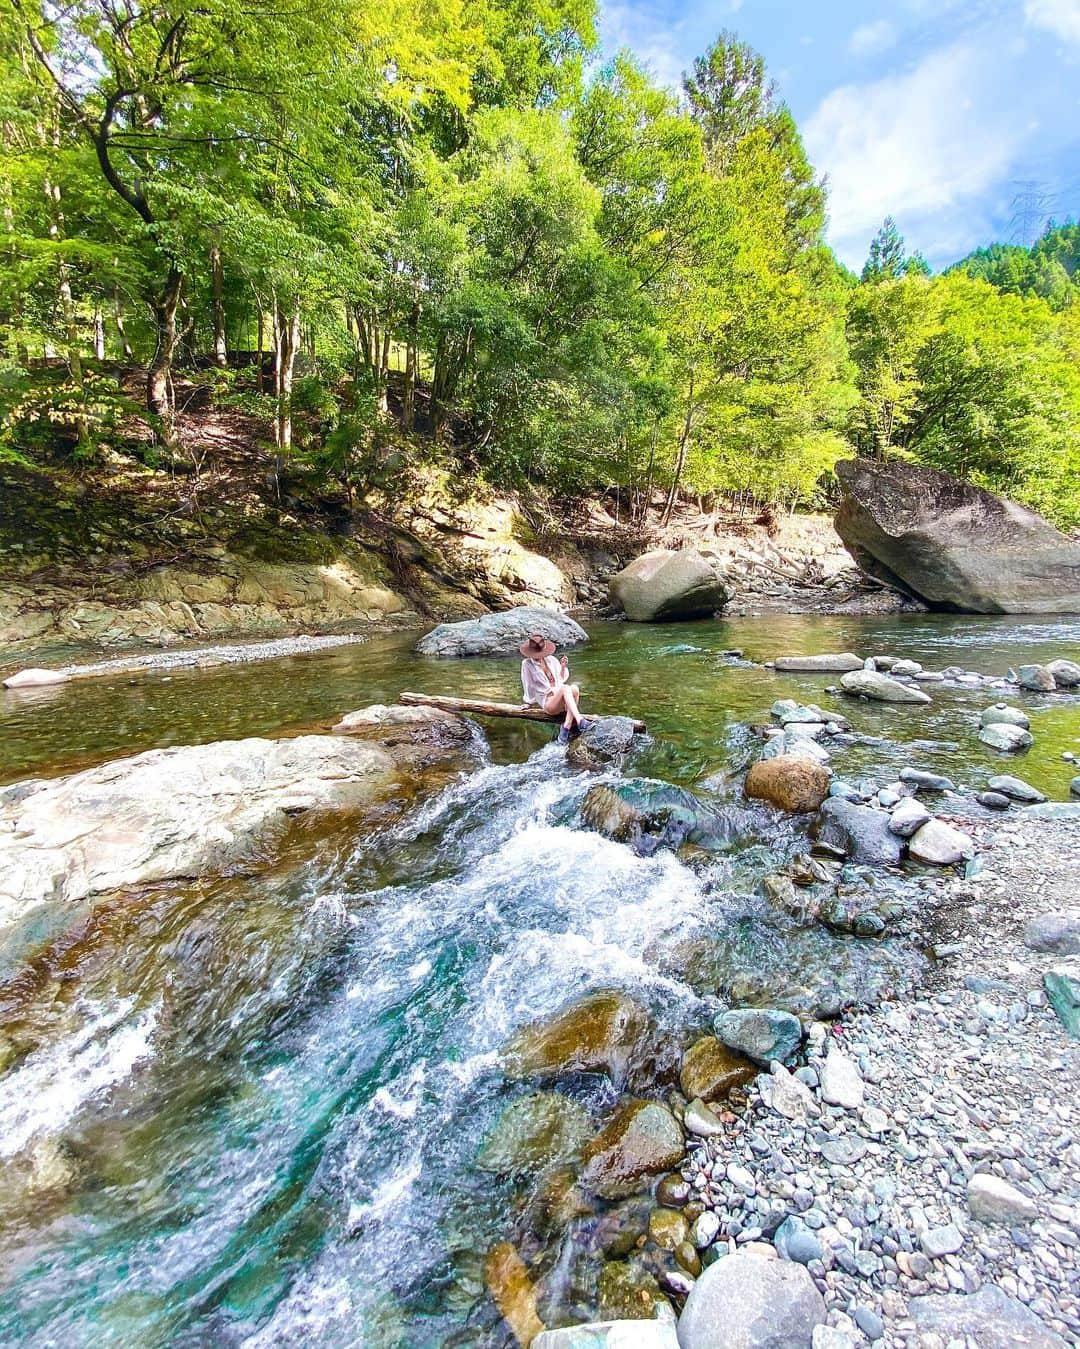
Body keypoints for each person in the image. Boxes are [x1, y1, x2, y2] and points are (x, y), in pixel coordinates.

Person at [519, 633, 593, 746]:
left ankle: (566, 726)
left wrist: (562, 666)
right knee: (565, 688)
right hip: (548, 702)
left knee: (575, 688)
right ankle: (580, 720)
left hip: (560, 697)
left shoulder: (551, 659)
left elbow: (561, 678)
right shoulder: (527, 664)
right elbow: (528, 684)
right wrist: (528, 703)